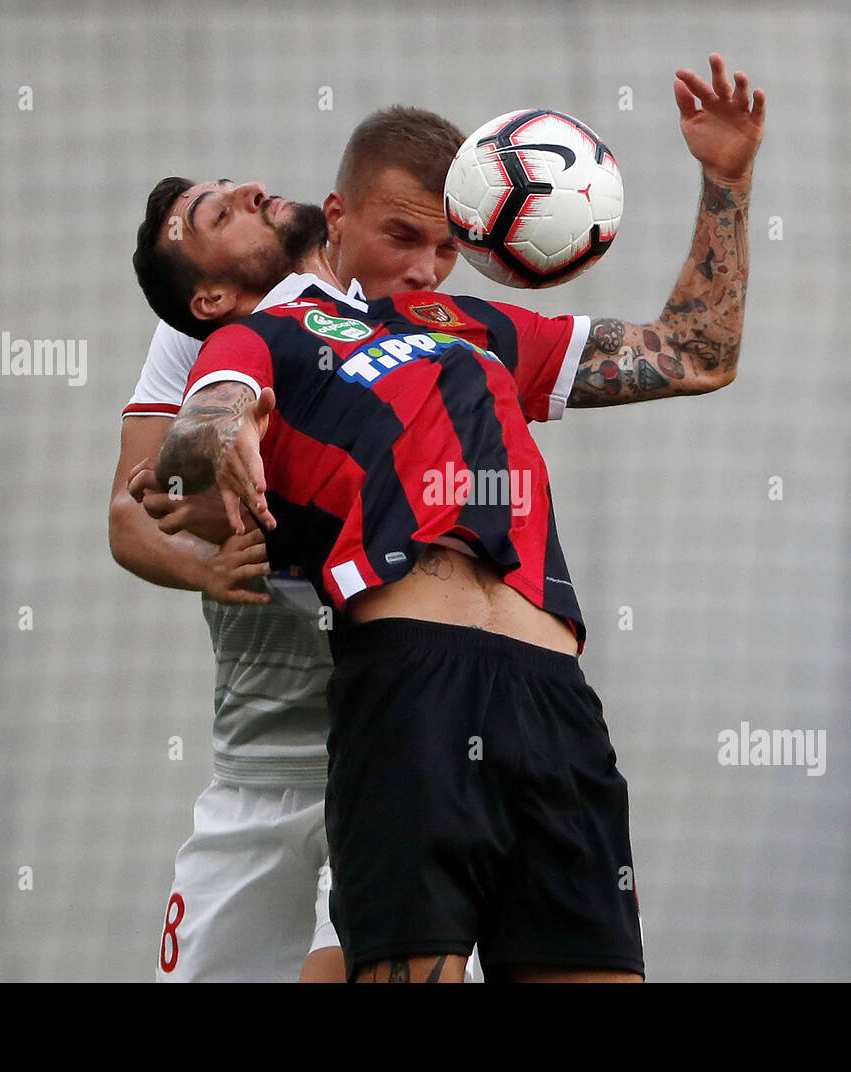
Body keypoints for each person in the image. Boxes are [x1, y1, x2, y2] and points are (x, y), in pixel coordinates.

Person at [137, 55, 765, 981]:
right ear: (338, 221)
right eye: (401, 236)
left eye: (445, 245)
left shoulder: (475, 327)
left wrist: (728, 179)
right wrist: (215, 438)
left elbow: (697, 354)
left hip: (553, 693)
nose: (426, 267)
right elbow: (204, 422)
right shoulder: (263, 333)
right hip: (409, 686)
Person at [109, 106, 465, 982]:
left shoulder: (408, 312)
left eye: (234, 188)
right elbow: (134, 509)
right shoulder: (199, 342)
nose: (246, 190)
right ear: (208, 299)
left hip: (396, 728)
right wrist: (209, 560)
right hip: (265, 737)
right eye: (215, 214)